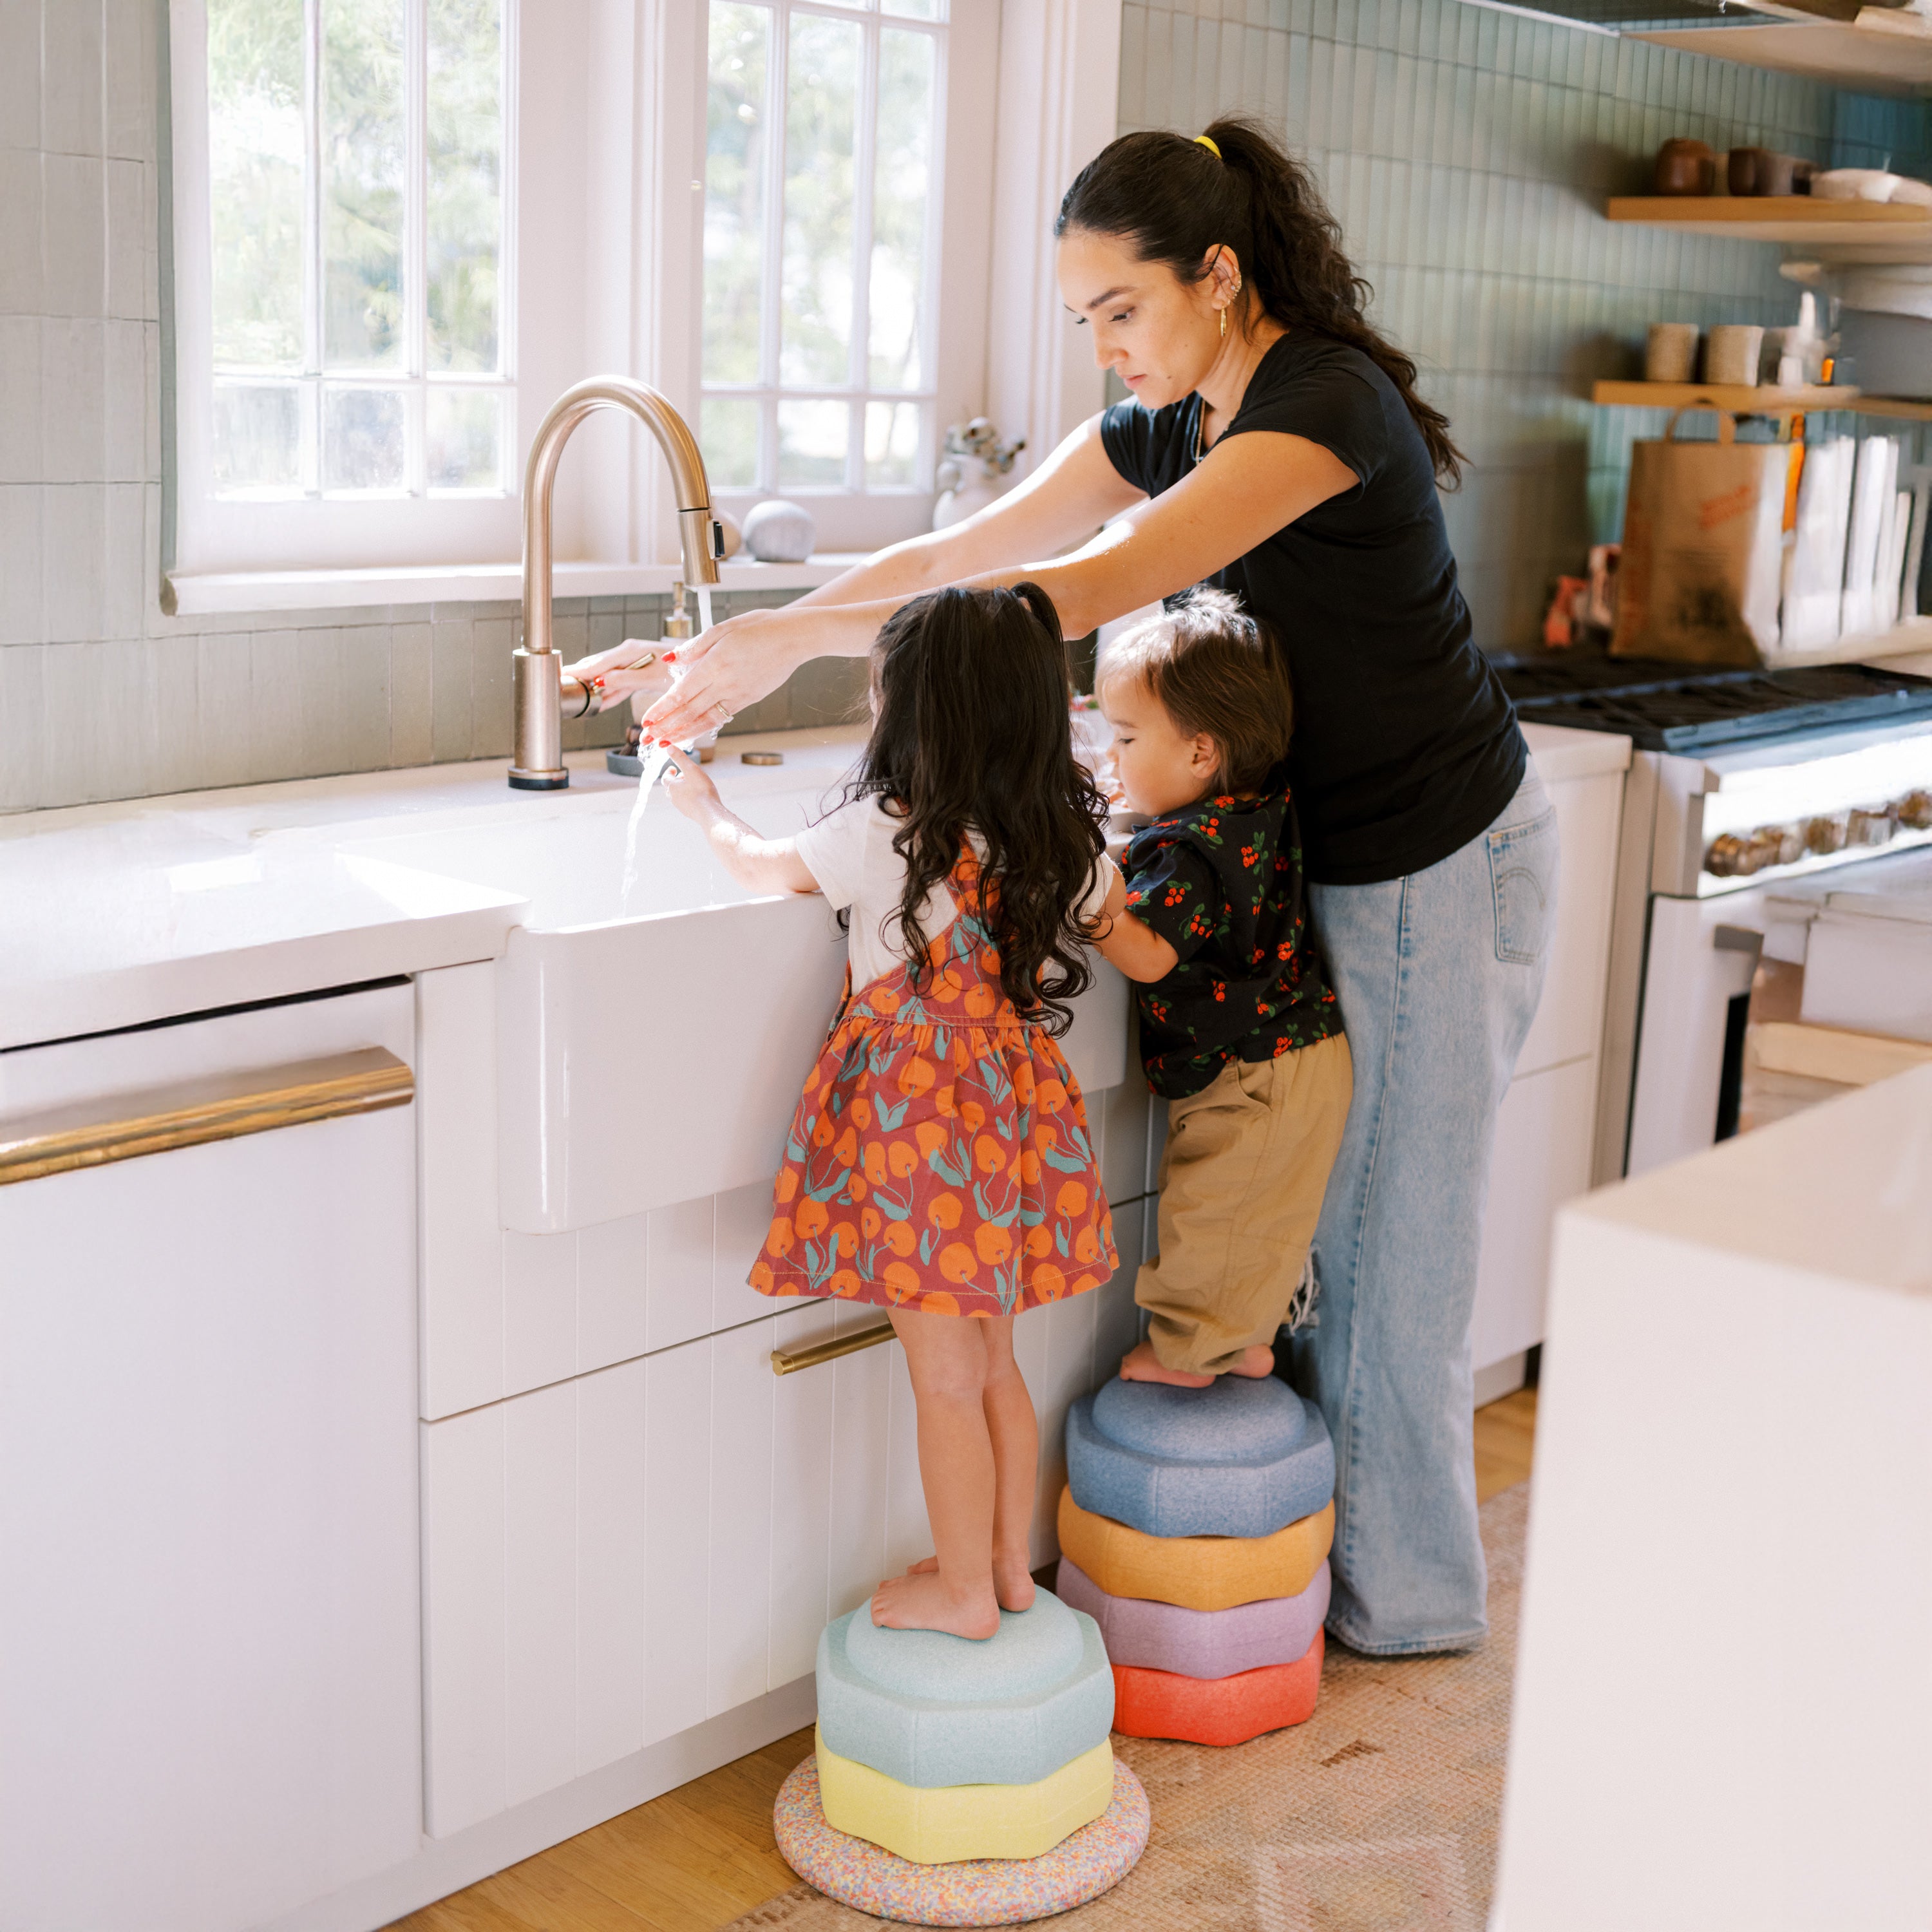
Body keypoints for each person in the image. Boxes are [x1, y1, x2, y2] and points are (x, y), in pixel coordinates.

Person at [594, 116, 1558, 1658]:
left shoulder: (1321, 408)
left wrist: (837, 654)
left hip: (1443, 862)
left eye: (1120, 309)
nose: (1102, 347)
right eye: (1083, 321)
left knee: (1392, 1260)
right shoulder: (1171, 410)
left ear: (1217, 274)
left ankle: (1411, 1618)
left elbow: (1087, 581)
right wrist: (753, 646)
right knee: (1315, 1247)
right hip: (1314, 857)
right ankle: (1308, 1597)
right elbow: (964, 544)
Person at [655, 582, 1121, 1643]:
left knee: (943, 1380)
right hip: (1007, 1125)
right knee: (994, 1363)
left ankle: (962, 1598)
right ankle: (1004, 1567)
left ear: (918, 716)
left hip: (918, 1136)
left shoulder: (888, 831)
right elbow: (1111, 906)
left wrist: (702, 805)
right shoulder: (1058, 833)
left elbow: (765, 869)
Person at [1086, 590, 1350, 1389]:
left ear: (1202, 755)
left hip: (1261, 1069)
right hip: (1281, 1056)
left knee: (1216, 1213)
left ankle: (1190, 1356)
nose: (1113, 754)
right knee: (1243, 1211)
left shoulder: (1192, 852)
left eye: (1127, 738)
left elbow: (1149, 955)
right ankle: (1242, 1342)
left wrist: (1087, 892)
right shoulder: (1245, 808)